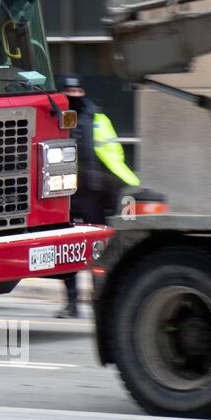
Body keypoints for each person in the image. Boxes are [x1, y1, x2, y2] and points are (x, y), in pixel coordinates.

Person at [55, 73, 139, 318]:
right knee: (66, 252)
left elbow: (113, 157)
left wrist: (121, 188)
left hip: (91, 194)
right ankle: (72, 304)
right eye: (70, 92)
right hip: (64, 196)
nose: (75, 96)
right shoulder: (55, 118)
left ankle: (98, 300)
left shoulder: (97, 119)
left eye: (78, 91)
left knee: (97, 251)